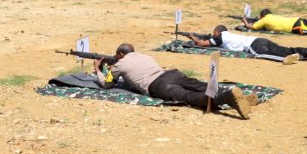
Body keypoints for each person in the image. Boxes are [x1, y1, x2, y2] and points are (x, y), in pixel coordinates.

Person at [93, 43, 256, 119]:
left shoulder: (120, 63)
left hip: (159, 85)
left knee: (189, 97)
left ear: (120, 54)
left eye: (116, 55)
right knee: (201, 86)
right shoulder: (144, 55)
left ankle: (226, 98)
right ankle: (233, 94)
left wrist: (98, 69)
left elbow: (107, 84)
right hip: (172, 74)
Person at [185, 25, 306, 65]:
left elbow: (201, 44)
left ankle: (284, 59)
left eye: (214, 33)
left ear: (217, 31)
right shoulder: (229, 34)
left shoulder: (220, 37)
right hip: (259, 39)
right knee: (286, 49)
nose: (213, 35)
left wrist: (192, 37)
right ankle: (302, 52)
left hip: (254, 46)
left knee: (260, 55)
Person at [242, 9, 307, 34]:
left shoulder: (264, 20)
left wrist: (244, 20)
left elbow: (250, 27)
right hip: (298, 20)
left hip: (296, 26)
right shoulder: (273, 16)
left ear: (262, 16)